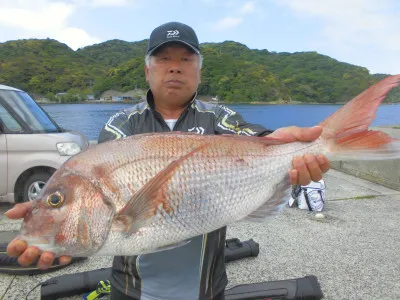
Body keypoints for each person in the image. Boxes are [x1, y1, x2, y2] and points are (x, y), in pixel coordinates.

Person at [6, 21, 330, 299]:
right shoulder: (122, 125)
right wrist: (54, 226)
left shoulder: (218, 117)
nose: (174, 66)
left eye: (186, 59)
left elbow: (256, 140)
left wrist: (286, 148)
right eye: (163, 59)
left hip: (207, 288)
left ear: (199, 73)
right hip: (130, 290)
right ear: (148, 71)